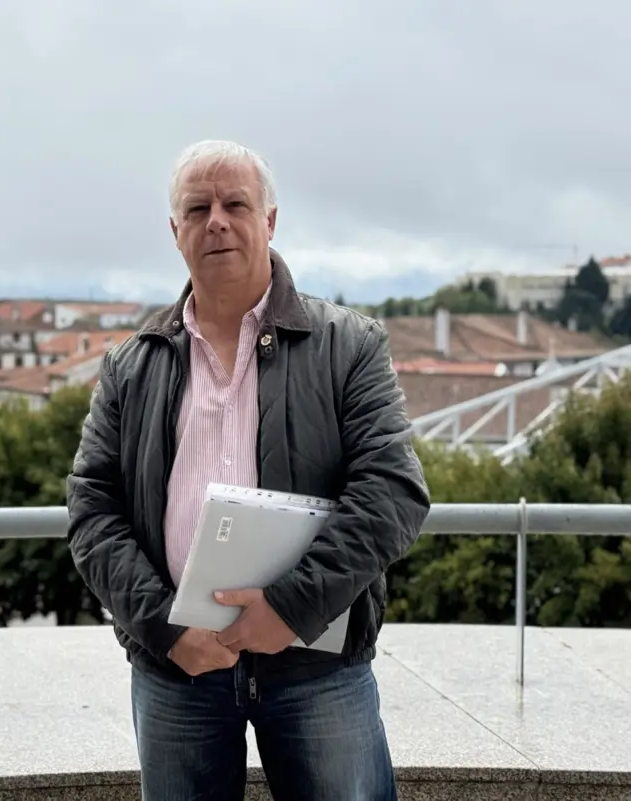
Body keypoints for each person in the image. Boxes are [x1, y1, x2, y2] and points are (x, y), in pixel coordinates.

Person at [65, 140, 431, 801]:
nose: (217, 221)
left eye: (236, 203)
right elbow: (93, 513)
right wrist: (165, 626)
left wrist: (291, 608)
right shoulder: (131, 365)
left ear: (270, 220)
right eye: (197, 207)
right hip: (177, 666)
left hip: (317, 661)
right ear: (174, 229)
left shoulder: (348, 345)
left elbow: (394, 492)